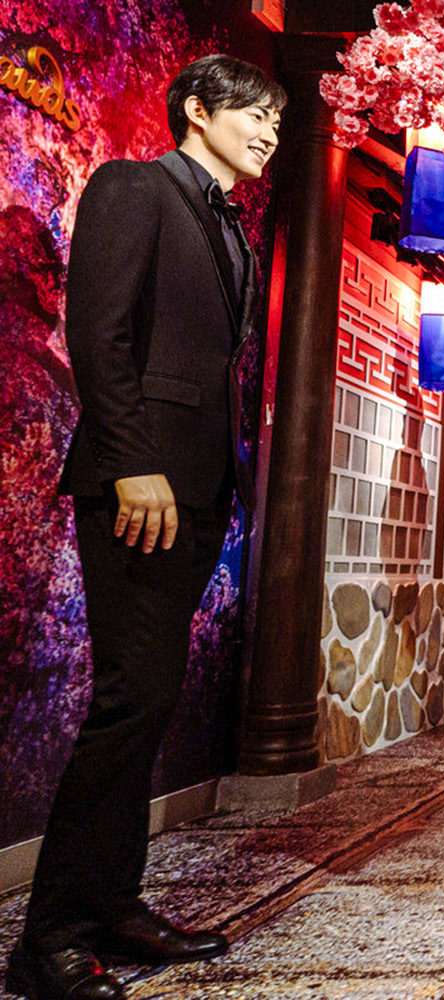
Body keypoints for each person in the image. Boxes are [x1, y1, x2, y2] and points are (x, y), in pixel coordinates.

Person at [7, 55, 285, 1000]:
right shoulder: (134, 187)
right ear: (197, 111)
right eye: (254, 115)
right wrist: (132, 463)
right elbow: (100, 333)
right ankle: (46, 942)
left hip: (200, 488)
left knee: (152, 701)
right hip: (142, 482)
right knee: (130, 701)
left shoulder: (231, 227)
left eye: (278, 124)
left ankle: (114, 905)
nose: (269, 133)